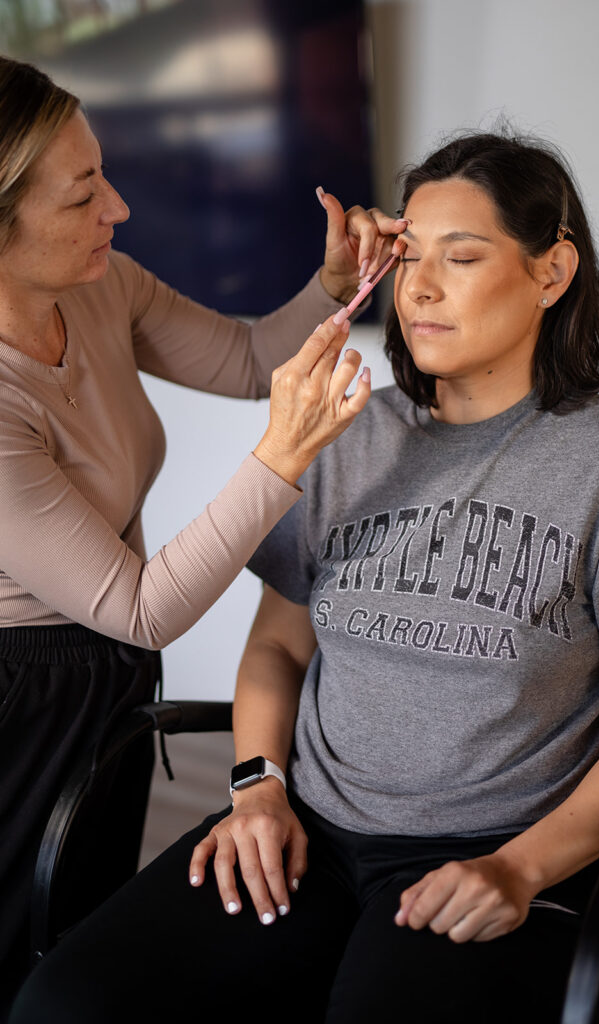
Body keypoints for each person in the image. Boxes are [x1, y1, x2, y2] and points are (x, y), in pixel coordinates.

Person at [10, 128, 599, 1024]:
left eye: (464, 256)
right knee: (68, 1001)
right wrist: (256, 786)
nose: (421, 287)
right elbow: (279, 647)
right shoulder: (350, 435)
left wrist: (517, 868)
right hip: (309, 835)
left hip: (491, 846)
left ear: (551, 273)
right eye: (405, 256)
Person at [0, 54, 409, 1016]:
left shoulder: (96, 286)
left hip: (106, 680)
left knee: (85, 937)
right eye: (82, 194)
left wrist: (333, 282)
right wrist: (283, 458)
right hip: (16, 694)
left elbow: (245, 356)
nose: (118, 210)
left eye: (101, 172)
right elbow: (145, 608)